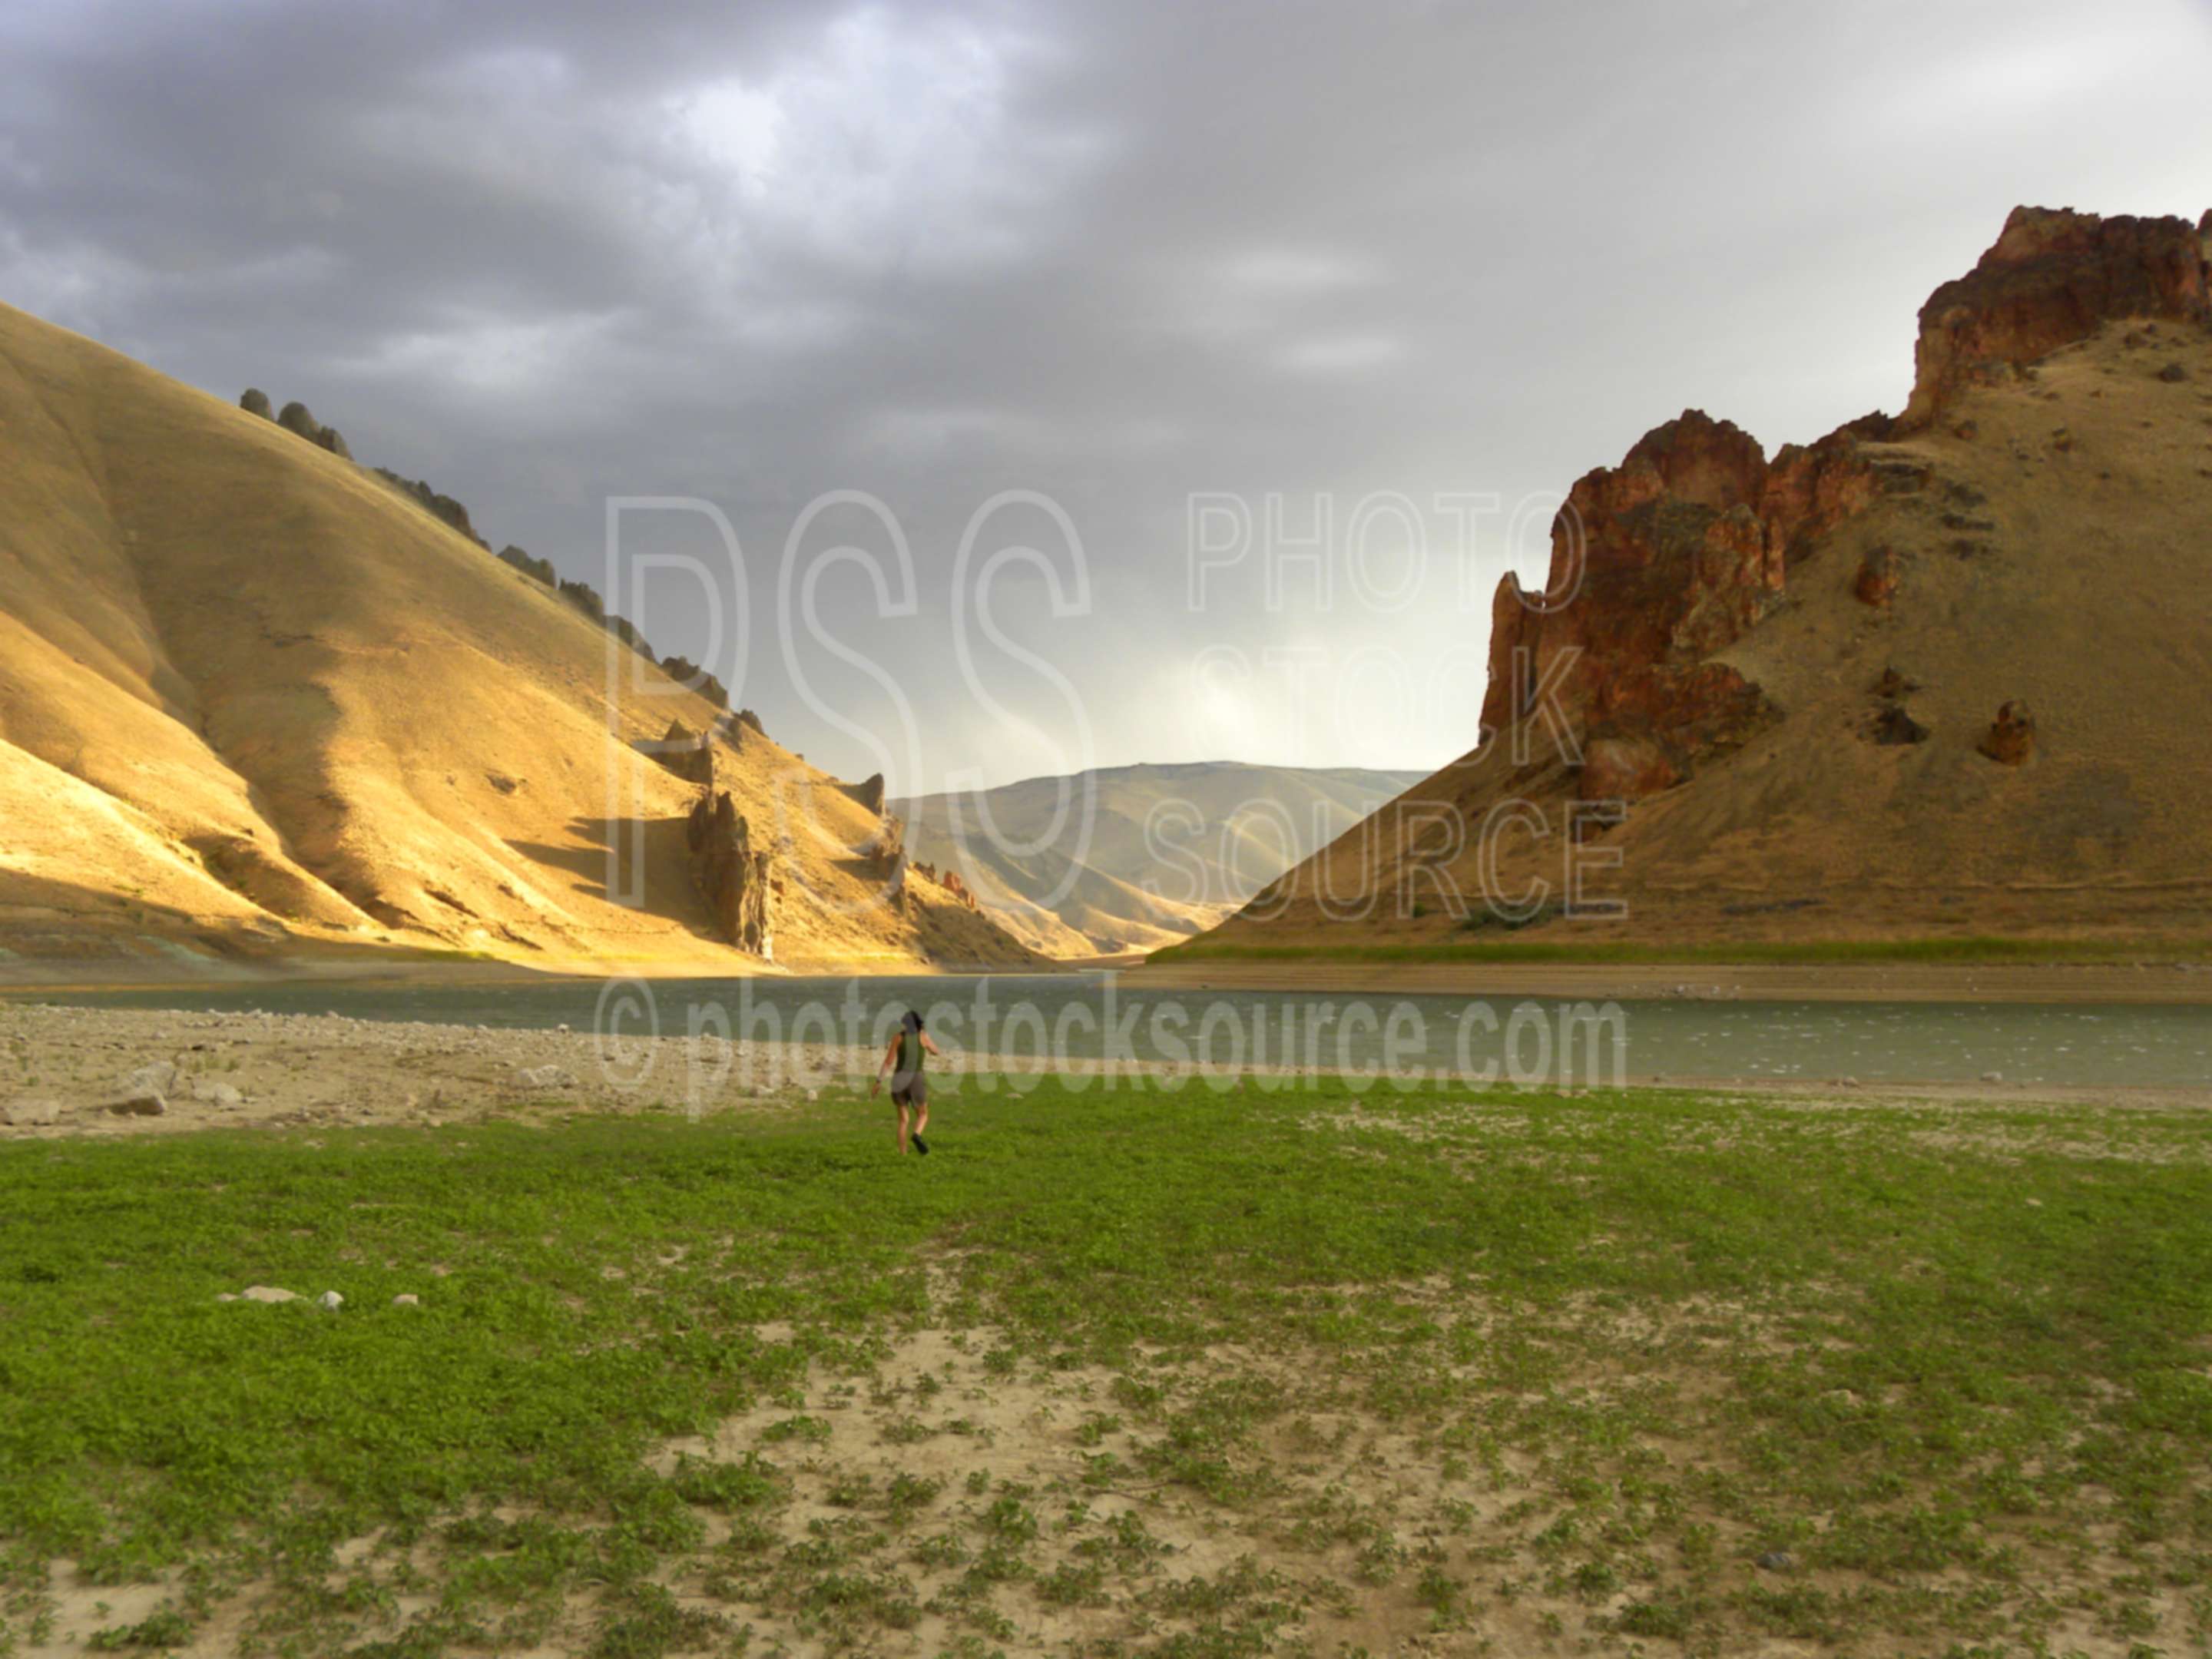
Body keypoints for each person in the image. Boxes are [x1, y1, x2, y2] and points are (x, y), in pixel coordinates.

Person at [870, 1008, 941, 1155]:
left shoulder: (898, 1037)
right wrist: (928, 1043)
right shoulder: (923, 1036)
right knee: (923, 1114)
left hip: (899, 1079)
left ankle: (903, 1154)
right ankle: (917, 1134)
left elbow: (888, 1062)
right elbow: (936, 1051)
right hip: (916, 1078)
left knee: (903, 1120)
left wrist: (878, 1082)